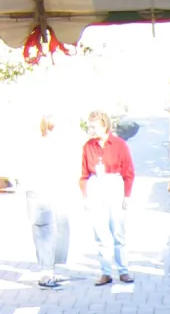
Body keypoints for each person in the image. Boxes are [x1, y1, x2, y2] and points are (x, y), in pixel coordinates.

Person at [80, 110, 135, 286]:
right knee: (100, 230)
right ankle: (105, 271)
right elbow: (83, 174)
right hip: (97, 184)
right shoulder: (88, 146)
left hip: (114, 183)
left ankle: (123, 269)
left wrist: (127, 194)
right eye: (90, 126)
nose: (91, 130)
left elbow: (128, 171)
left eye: (94, 126)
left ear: (104, 125)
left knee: (118, 229)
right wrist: (86, 195)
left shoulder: (119, 144)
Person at [25, 115, 71, 289]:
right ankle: (45, 274)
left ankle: (50, 270)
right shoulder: (39, 146)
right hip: (40, 194)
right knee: (44, 232)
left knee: (58, 230)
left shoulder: (54, 146)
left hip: (52, 193)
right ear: (51, 128)